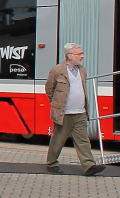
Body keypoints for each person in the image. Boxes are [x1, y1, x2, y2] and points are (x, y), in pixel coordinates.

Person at [45, 43, 105, 176]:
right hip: (64, 113)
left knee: (83, 140)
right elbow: (49, 89)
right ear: (70, 55)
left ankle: (89, 165)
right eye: (79, 54)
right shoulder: (57, 70)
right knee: (59, 139)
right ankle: (51, 163)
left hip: (80, 112)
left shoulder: (82, 70)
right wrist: (56, 105)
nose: (82, 56)